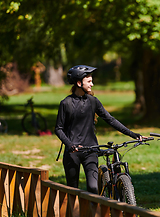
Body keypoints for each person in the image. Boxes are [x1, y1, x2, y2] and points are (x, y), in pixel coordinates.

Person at [55, 65, 144, 194]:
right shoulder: (66, 103)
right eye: (89, 81)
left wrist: (132, 134)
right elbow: (58, 129)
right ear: (79, 83)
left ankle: (93, 214)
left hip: (91, 150)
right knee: (72, 190)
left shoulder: (93, 101)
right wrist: (70, 145)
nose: (92, 84)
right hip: (72, 153)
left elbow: (110, 120)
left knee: (93, 188)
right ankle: (74, 214)